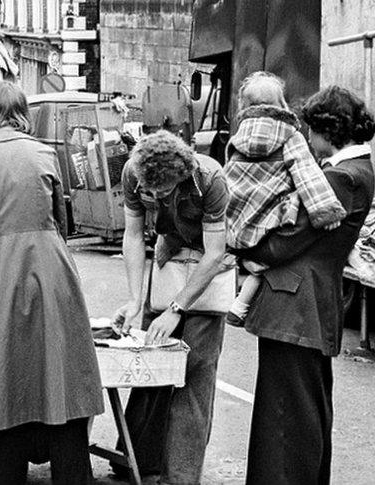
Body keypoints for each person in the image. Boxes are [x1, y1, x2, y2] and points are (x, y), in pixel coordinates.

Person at [0, 80, 103, 485]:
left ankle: (0, 472)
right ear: (20, 113)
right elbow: (61, 222)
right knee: (59, 370)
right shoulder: (44, 154)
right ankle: (70, 473)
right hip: (51, 265)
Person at [242, 85, 375, 485]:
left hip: (296, 307)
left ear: (327, 129)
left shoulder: (342, 177)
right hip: (311, 304)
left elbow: (288, 239)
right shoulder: (357, 170)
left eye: (311, 130)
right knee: (304, 412)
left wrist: (247, 247)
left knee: (284, 419)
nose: (308, 140)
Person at [110, 129, 228, 485]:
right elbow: (133, 235)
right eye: (152, 192)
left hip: (207, 270)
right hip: (169, 259)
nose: (157, 196)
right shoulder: (133, 172)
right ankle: (134, 459)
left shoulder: (210, 179)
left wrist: (177, 308)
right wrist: (134, 299)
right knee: (151, 364)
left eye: (165, 190)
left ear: (181, 174)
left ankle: (180, 476)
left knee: (195, 370)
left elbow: (216, 253)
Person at [223, 72, 345, 325]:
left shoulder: (238, 137)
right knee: (267, 260)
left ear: (245, 106)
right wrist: (325, 211)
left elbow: (231, 176)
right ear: (281, 104)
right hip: (271, 216)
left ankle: (240, 296)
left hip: (240, 216)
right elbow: (307, 175)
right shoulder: (291, 135)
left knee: (251, 259)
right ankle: (243, 302)